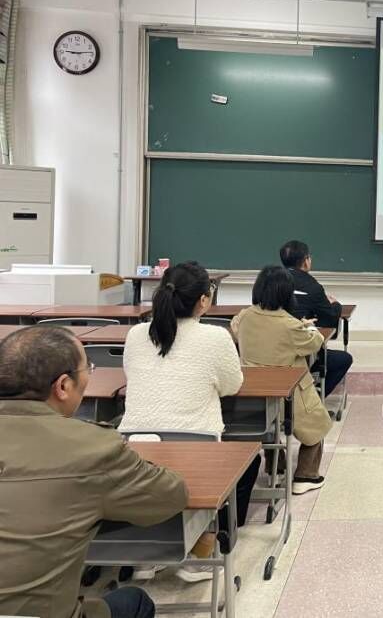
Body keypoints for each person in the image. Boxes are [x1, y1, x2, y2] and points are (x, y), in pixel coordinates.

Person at [0, 325, 188, 618]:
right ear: (63, 386)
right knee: (135, 602)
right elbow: (171, 495)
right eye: (87, 368)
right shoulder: (91, 448)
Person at [120, 261, 260, 582]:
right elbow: (232, 385)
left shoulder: (136, 334)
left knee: (159, 470)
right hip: (197, 450)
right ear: (203, 301)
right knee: (248, 459)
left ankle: (145, 556)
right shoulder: (215, 337)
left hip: (134, 450)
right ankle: (200, 552)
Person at [232, 265, 333, 495]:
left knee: (270, 427)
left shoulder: (245, 316)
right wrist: (309, 327)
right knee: (318, 425)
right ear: (287, 294)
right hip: (290, 394)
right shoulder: (290, 325)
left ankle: (275, 465)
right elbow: (316, 342)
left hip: (253, 394)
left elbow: (235, 328)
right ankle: (306, 475)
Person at [280, 240, 354, 398]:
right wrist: (335, 304)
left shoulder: (271, 283)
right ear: (305, 261)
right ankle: (314, 399)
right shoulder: (312, 287)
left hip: (272, 351)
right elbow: (330, 317)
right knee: (344, 359)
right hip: (300, 353)